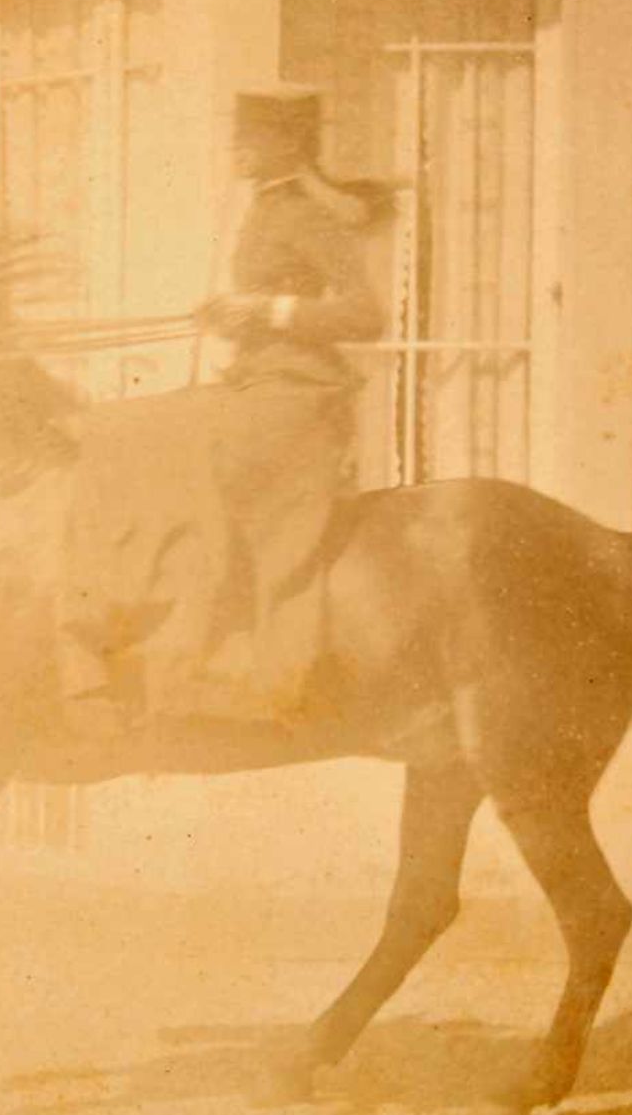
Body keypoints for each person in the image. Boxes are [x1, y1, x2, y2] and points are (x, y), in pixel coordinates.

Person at [61, 85, 389, 724]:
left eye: (249, 137)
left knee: (139, 438)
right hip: (256, 379)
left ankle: (188, 653)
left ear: (287, 145)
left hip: (297, 396)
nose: (235, 148)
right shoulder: (264, 209)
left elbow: (366, 314)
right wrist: (234, 317)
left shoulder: (305, 214)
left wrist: (268, 310)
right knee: (124, 431)